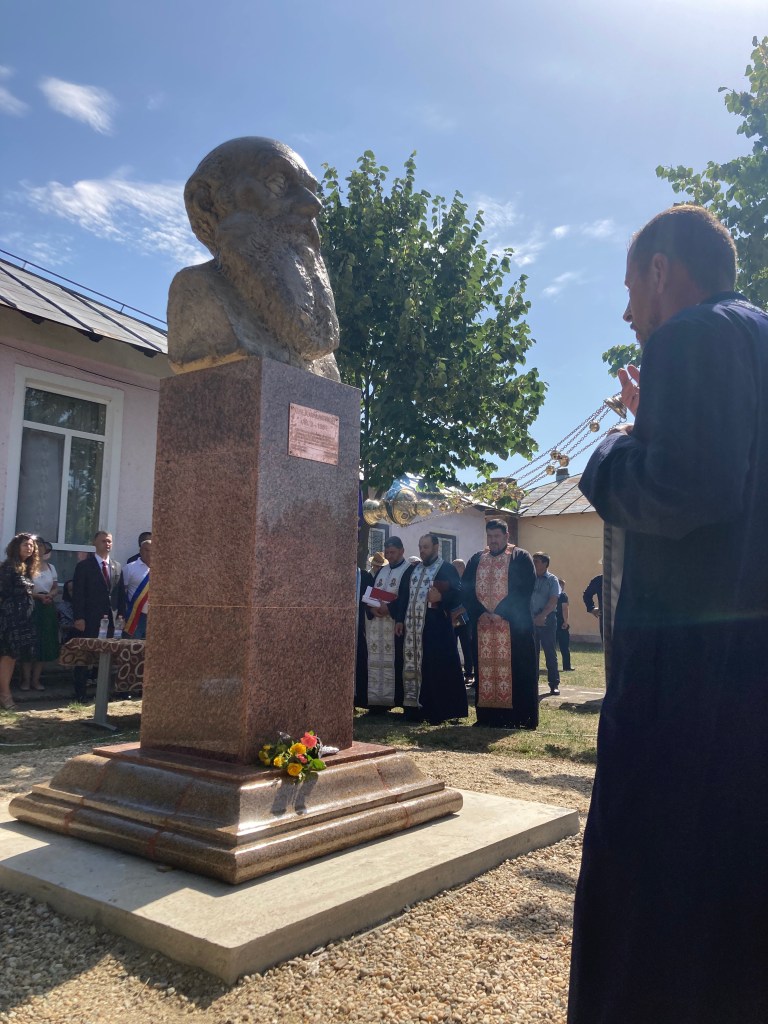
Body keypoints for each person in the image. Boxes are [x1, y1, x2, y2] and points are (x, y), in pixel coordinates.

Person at [569, 205, 768, 1024]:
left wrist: (611, 450)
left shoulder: (688, 336)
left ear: (660, 271)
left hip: (687, 685)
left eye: (628, 288)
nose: (627, 313)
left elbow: (682, 489)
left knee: (656, 897)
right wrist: (656, 421)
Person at [167, 136, 340, 381]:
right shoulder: (195, 291)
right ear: (206, 203)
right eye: (278, 183)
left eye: (311, 190)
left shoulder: (319, 345)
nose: (314, 205)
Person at [461, 520, 538, 729]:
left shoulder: (520, 557)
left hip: (514, 627)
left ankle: (519, 718)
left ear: (506, 536)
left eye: (497, 536)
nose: (493, 540)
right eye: (490, 536)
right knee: (485, 671)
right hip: (483, 626)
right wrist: (480, 612)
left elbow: (525, 588)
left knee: (518, 670)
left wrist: (501, 613)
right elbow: (466, 588)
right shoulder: (477, 559)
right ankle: (488, 717)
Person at [393, 534, 468, 725]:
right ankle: (413, 708)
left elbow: (459, 594)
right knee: (413, 666)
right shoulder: (413, 569)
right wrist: (400, 619)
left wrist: (441, 598)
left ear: (436, 547)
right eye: (420, 547)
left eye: (425, 547)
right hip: (412, 630)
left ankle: (437, 710)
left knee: (435, 668)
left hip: (436, 630)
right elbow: (403, 596)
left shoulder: (447, 569)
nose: (422, 551)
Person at [71, 530, 123, 702]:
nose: (107, 544)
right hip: (89, 619)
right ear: (95, 543)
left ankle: (104, 694)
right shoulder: (84, 566)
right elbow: (78, 594)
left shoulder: (116, 566)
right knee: (85, 657)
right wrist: (79, 617)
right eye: (103, 541)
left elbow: (119, 594)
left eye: (109, 541)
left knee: (107, 657)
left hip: (111, 620)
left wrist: (121, 615)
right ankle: (80, 694)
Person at [363, 538, 409, 710]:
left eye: (393, 552)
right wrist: (371, 608)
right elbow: (371, 594)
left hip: (395, 625)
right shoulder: (382, 571)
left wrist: (389, 608)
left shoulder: (408, 570)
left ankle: (395, 700)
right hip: (378, 625)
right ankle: (377, 702)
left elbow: (406, 597)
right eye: (387, 553)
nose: (389, 556)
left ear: (401, 551)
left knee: (397, 662)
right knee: (375, 661)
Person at [0, 533, 41, 710]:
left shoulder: (26, 568)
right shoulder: (9, 567)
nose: (29, 548)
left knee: (13, 656)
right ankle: (5, 695)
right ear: (16, 547)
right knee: (8, 655)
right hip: (9, 618)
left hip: (23, 618)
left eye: (31, 545)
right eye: (25, 544)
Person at [20, 538, 59, 691]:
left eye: (42, 546)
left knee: (44, 643)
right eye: (37, 546)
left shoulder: (51, 567)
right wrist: (37, 596)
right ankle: (25, 680)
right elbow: (23, 589)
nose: (40, 549)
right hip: (31, 606)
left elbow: (55, 587)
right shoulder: (25, 567)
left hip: (47, 607)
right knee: (29, 643)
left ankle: (36, 680)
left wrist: (50, 595)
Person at [531, 552, 560, 695]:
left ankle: (554, 684)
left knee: (549, 651)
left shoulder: (552, 580)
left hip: (547, 619)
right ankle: (533, 683)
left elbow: (553, 600)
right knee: (532, 652)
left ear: (545, 564)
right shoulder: (530, 578)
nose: (534, 563)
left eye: (536, 561)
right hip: (531, 619)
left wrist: (542, 616)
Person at [120, 538, 151, 638]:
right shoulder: (129, 568)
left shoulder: (161, 570)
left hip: (154, 617)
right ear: (140, 551)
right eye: (146, 550)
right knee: (132, 644)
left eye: (152, 550)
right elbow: (122, 592)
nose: (150, 553)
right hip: (136, 616)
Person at [452, 558, 475, 686]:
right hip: (452, 619)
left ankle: (469, 674)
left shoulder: (468, 583)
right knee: (452, 646)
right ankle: (455, 673)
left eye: (457, 566)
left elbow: (470, 601)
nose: (454, 569)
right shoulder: (450, 582)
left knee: (467, 647)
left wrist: (459, 612)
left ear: (463, 568)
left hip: (465, 620)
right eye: (453, 566)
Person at [556, 578, 573, 671]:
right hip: (561, 624)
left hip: (551, 623)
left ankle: (552, 665)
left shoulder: (551, 595)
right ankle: (566, 666)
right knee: (564, 646)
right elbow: (564, 609)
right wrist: (565, 622)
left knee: (550, 647)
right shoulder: (563, 596)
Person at [582, 572, 603, 640]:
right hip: (607, 619)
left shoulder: (627, 578)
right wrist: (591, 608)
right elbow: (587, 595)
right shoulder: (600, 580)